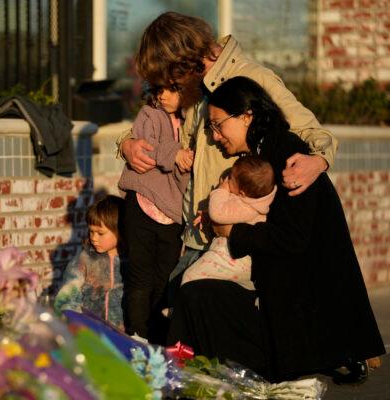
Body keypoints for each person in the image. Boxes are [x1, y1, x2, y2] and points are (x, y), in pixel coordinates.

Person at [168, 76, 386, 383]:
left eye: (218, 125)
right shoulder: (265, 152)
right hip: (286, 302)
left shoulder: (286, 155)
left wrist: (231, 231)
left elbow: (292, 237)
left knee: (198, 296)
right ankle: (182, 374)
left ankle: (181, 376)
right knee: (195, 295)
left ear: (247, 116)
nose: (215, 136)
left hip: (299, 316)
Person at [117, 12, 338, 301]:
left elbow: (310, 130)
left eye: (171, 78)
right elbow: (160, 129)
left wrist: (319, 159)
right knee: (170, 312)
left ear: (184, 61)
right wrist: (126, 144)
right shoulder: (199, 89)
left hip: (229, 238)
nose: (170, 86)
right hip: (194, 233)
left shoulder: (252, 78)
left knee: (181, 317)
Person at [118, 86, 193, 343]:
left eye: (172, 90)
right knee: (140, 276)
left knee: (166, 279)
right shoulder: (150, 113)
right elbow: (145, 149)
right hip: (142, 201)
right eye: (159, 89)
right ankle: (137, 336)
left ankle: (160, 340)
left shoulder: (196, 119)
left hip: (174, 212)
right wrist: (175, 154)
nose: (163, 96)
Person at [181, 156, 276, 291]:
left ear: (242, 193)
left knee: (191, 276)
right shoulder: (249, 202)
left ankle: (178, 310)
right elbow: (224, 214)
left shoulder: (247, 207)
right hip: (229, 257)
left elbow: (218, 213)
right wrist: (208, 217)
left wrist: (221, 190)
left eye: (230, 178)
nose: (226, 180)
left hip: (231, 259)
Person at [54, 195, 126, 330]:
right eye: (91, 231)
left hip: (124, 337)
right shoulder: (84, 260)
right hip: (90, 333)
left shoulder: (131, 261)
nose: (93, 238)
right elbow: (66, 298)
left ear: (120, 230)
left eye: (100, 233)